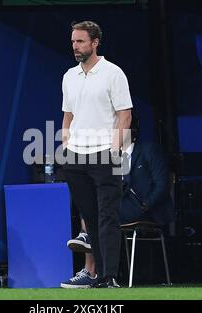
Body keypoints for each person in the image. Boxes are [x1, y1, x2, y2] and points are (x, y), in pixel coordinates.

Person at [61, 115, 176, 288]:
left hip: (145, 209)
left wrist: (146, 204)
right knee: (90, 205)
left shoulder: (149, 150)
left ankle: (90, 267)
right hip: (119, 207)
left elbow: (162, 185)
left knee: (100, 218)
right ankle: (90, 261)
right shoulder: (107, 157)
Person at [61, 21, 133, 288]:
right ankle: (97, 275)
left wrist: (115, 150)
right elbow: (67, 116)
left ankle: (109, 276)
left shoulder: (113, 73)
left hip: (105, 153)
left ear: (95, 42)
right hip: (76, 157)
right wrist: (66, 146)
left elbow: (125, 115)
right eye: (73, 42)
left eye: (80, 41)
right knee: (89, 218)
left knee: (108, 217)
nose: (75, 47)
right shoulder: (69, 76)